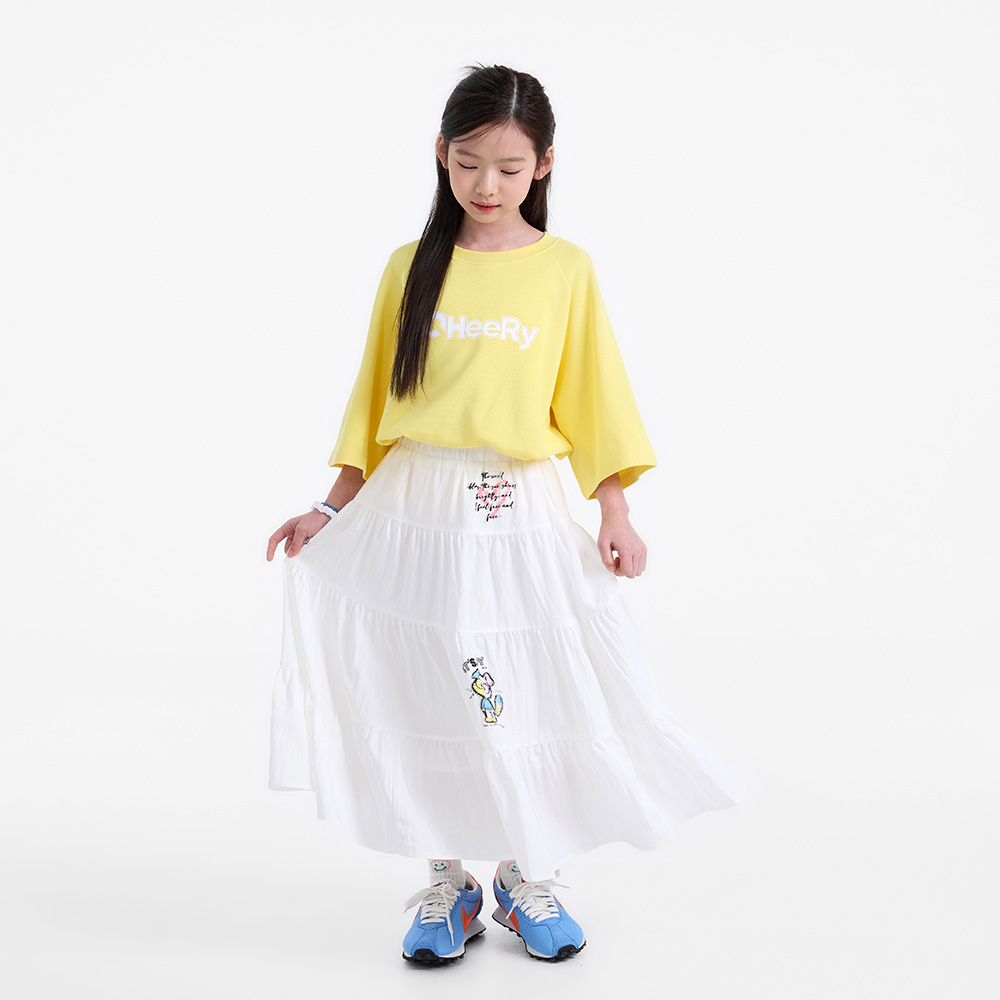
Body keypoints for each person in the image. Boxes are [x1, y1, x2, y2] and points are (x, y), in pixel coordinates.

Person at [265, 63, 746, 965]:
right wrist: (329, 508)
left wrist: (615, 510)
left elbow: (593, 395)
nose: (486, 185)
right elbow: (373, 403)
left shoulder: (564, 271)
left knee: (527, 687)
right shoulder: (409, 268)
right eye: (468, 163)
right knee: (428, 685)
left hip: (518, 510)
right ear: (440, 156)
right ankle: (450, 881)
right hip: (417, 511)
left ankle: (528, 874)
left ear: (545, 164)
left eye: (510, 167)